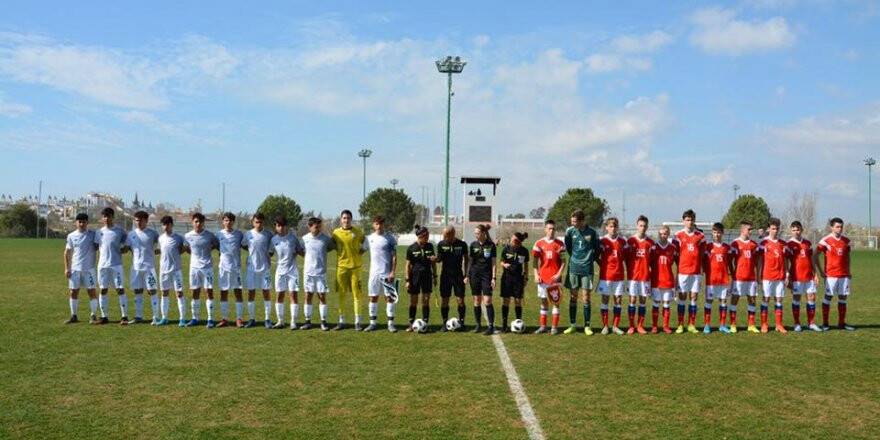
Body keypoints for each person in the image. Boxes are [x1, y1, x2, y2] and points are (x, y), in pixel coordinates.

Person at [563, 209, 599, 335]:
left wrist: (588, 260)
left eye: (575, 222)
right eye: (571, 221)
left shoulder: (592, 233)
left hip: (587, 269)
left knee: (586, 298)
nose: (573, 224)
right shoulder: (570, 231)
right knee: (573, 296)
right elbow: (568, 248)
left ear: (582, 220)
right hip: (573, 268)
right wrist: (576, 259)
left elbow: (597, 249)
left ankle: (587, 326)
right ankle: (572, 325)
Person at [814, 217, 854, 331]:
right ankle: (825, 324)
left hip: (844, 275)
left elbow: (848, 257)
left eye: (841, 226)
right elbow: (815, 255)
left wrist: (849, 271)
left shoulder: (846, 241)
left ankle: (842, 323)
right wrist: (821, 272)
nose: (839, 229)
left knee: (843, 298)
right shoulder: (825, 241)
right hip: (831, 275)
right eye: (837, 226)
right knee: (828, 297)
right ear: (831, 227)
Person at [331, 210, 366, 330]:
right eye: (344, 218)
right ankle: (341, 321)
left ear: (351, 219)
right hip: (341, 268)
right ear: (341, 219)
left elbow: (365, 242)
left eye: (348, 218)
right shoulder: (335, 233)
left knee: (357, 295)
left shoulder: (357, 232)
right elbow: (331, 244)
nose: (346, 220)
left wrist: (363, 250)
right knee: (341, 295)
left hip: (355, 268)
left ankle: (358, 322)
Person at [183, 213, 218, 327]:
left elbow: (216, 245)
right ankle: (195, 318)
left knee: (209, 291)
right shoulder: (188, 236)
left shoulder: (210, 235)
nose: (198, 224)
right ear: (192, 222)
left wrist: (208, 250)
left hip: (207, 267)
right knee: (195, 292)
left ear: (203, 223)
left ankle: (210, 319)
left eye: (200, 222)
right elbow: (188, 249)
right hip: (194, 268)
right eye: (196, 221)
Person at [126, 211, 160, 325]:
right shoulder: (131, 234)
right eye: (136, 220)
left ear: (146, 221)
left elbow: (160, 245)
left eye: (141, 220)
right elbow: (129, 248)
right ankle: (138, 316)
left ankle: (156, 317)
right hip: (135, 267)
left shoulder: (153, 233)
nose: (138, 222)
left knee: (152, 291)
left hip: (149, 267)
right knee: (137, 291)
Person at [673, 209, 704, 334]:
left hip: (696, 272)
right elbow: (675, 254)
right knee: (682, 297)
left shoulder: (700, 236)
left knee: (694, 297)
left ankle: (691, 324)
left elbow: (702, 254)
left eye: (691, 219)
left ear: (694, 220)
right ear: (683, 221)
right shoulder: (678, 235)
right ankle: (680, 324)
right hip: (683, 272)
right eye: (687, 219)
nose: (689, 222)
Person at [757, 217, 790, 333]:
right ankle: (764, 324)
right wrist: (758, 275)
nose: (775, 231)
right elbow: (760, 260)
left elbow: (785, 260)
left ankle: (779, 324)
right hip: (767, 276)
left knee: (779, 300)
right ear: (768, 229)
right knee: (765, 299)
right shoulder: (763, 243)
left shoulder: (783, 244)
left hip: (780, 276)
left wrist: (787, 273)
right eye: (773, 228)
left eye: (777, 229)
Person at [270, 216, 305, 330]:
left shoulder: (293, 238)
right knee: (279, 295)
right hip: (280, 272)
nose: (280, 228)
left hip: (292, 271)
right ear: (276, 227)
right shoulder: (273, 239)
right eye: (278, 226)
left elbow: (300, 251)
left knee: (293, 295)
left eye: (282, 225)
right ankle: (280, 321)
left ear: (286, 226)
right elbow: (269, 253)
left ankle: (293, 322)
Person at [63, 213, 98, 324]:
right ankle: (74, 316)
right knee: (73, 292)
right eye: (80, 222)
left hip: (89, 269)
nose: (82, 224)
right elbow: (67, 253)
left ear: (87, 223)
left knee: (91, 292)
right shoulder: (71, 236)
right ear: (76, 223)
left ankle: (93, 315)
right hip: (75, 269)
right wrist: (67, 268)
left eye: (84, 222)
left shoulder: (93, 234)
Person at [786, 221, 821, 332]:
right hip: (796, 277)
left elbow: (811, 259)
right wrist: (788, 276)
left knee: (811, 298)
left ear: (802, 230)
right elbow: (786, 261)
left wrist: (815, 274)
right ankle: (797, 323)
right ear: (791, 231)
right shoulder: (789, 244)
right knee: (797, 299)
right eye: (794, 230)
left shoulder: (807, 243)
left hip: (809, 276)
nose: (796, 232)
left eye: (798, 229)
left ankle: (811, 323)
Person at [532, 220, 566, 334]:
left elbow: (564, 261)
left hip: (555, 279)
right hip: (543, 278)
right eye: (549, 228)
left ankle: (554, 328)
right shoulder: (538, 244)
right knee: (543, 301)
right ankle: (543, 326)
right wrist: (536, 274)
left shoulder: (560, 244)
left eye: (553, 229)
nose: (551, 231)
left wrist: (559, 274)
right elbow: (535, 262)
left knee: (556, 302)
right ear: (545, 229)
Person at [365, 216, 398, 332]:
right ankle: (372, 323)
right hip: (373, 274)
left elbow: (394, 256)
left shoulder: (390, 238)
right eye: (377, 224)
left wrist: (392, 272)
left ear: (384, 225)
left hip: (386, 273)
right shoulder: (368, 239)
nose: (379, 226)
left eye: (381, 224)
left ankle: (391, 324)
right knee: (373, 297)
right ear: (373, 225)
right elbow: (360, 250)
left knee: (389, 298)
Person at [95, 207, 127, 325]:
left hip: (116, 265)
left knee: (120, 289)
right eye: (104, 216)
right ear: (102, 218)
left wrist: (124, 248)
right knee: (103, 290)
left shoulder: (120, 231)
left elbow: (126, 244)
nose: (106, 218)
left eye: (108, 216)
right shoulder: (99, 232)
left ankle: (124, 316)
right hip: (102, 265)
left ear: (113, 217)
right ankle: (104, 317)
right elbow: (95, 247)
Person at [302, 217, 335, 330]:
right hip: (308, 273)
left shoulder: (325, 239)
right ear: (310, 226)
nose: (318, 229)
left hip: (321, 272)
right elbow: (301, 251)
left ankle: (323, 322)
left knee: (322, 296)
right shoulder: (304, 239)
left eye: (319, 226)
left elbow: (330, 248)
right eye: (316, 227)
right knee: (308, 296)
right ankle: (307, 321)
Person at [242, 213, 274, 328]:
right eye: (256, 222)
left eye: (260, 222)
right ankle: (251, 319)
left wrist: (267, 256)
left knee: (266, 293)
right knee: (251, 292)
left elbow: (271, 250)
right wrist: (251, 255)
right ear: (253, 222)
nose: (258, 224)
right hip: (251, 268)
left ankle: (267, 319)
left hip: (265, 268)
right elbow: (244, 245)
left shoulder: (268, 234)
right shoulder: (248, 234)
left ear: (263, 222)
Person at [597, 217, 627, 335]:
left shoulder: (623, 242)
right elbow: (596, 256)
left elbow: (626, 258)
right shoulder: (602, 241)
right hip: (606, 276)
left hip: (619, 276)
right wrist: (603, 265)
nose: (613, 228)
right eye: (610, 226)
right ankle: (605, 326)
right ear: (607, 228)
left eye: (615, 226)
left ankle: (615, 326)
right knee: (605, 299)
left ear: (617, 227)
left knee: (618, 300)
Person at [729, 220, 760, 333]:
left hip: (751, 278)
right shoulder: (735, 243)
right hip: (739, 278)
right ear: (742, 230)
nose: (751, 231)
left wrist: (757, 275)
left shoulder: (754, 244)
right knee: (735, 299)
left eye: (752, 229)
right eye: (749, 229)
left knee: (752, 300)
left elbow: (757, 262)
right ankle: (733, 324)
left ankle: (751, 325)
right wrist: (733, 273)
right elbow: (729, 261)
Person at [703, 222, 734, 334]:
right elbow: (703, 262)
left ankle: (722, 325)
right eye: (715, 232)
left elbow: (730, 262)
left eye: (719, 232)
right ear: (712, 233)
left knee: (723, 301)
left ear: (722, 233)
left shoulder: (727, 247)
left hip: (724, 279)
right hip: (711, 279)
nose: (717, 234)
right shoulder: (708, 247)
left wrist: (732, 273)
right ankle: (707, 325)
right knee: (709, 301)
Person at [467, 224, 498, 335]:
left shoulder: (491, 245)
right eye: (475, 233)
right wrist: (467, 275)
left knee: (488, 300)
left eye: (478, 233)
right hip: (474, 275)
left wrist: (494, 277)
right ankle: (478, 325)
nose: (476, 235)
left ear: (483, 233)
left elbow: (494, 263)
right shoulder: (473, 245)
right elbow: (470, 262)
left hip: (487, 275)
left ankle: (490, 326)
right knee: (476, 300)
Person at [405, 226, 436, 332]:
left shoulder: (430, 246)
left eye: (428, 235)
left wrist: (435, 276)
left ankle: (425, 323)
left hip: (427, 276)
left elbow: (433, 263)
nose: (427, 237)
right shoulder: (411, 248)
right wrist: (407, 280)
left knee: (426, 300)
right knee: (413, 301)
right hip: (414, 277)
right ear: (420, 236)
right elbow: (407, 265)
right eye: (426, 235)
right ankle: (411, 323)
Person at [437, 226, 469, 330]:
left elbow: (467, 260)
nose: (444, 237)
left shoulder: (462, 244)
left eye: (445, 235)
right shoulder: (441, 244)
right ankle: (444, 323)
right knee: (445, 300)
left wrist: (466, 274)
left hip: (458, 276)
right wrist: (435, 259)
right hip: (445, 276)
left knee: (460, 300)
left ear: (452, 234)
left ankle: (462, 322)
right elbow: (439, 259)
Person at [157, 216, 187, 327]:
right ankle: (164, 318)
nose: (165, 227)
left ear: (171, 225)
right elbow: (161, 250)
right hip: (164, 270)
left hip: (176, 270)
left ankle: (182, 319)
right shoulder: (160, 238)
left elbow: (183, 249)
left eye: (167, 224)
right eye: (163, 225)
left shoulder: (179, 238)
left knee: (179, 293)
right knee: (164, 293)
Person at [216, 212, 244, 328]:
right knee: (223, 292)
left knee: (238, 293)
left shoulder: (239, 234)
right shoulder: (218, 234)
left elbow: (245, 245)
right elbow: (215, 246)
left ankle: (239, 319)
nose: (228, 222)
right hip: (223, 268)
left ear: (233, 222)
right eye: (226, 220)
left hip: (236, 268)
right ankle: (224, 319)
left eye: (230, 220)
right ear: (223, 222)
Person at [625, 215, 653, 335]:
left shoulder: (650, 243)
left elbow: (652, 261)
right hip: (633, 276)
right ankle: (631, 326)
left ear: (647, 227)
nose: (642, 228)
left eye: (644, 226)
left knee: (642, 300)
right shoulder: (630, 241)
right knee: (632, 299)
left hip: (645, 276)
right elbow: (625, 259)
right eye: (640, 225)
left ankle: (640, 326)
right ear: (637, 226)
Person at [499, 232, 529, 333]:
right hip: (506, 278)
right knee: (506, 300)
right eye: (511, 240)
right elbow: (501, 261)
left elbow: (526, 265)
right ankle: (504, 325)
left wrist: (526, 277)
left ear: (518, 242)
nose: (511, 242)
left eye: (514, 240)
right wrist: (504, 265)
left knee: (518, 301)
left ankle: (518, 322)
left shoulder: (524, 251)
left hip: (518, 279)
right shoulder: (506, 249)